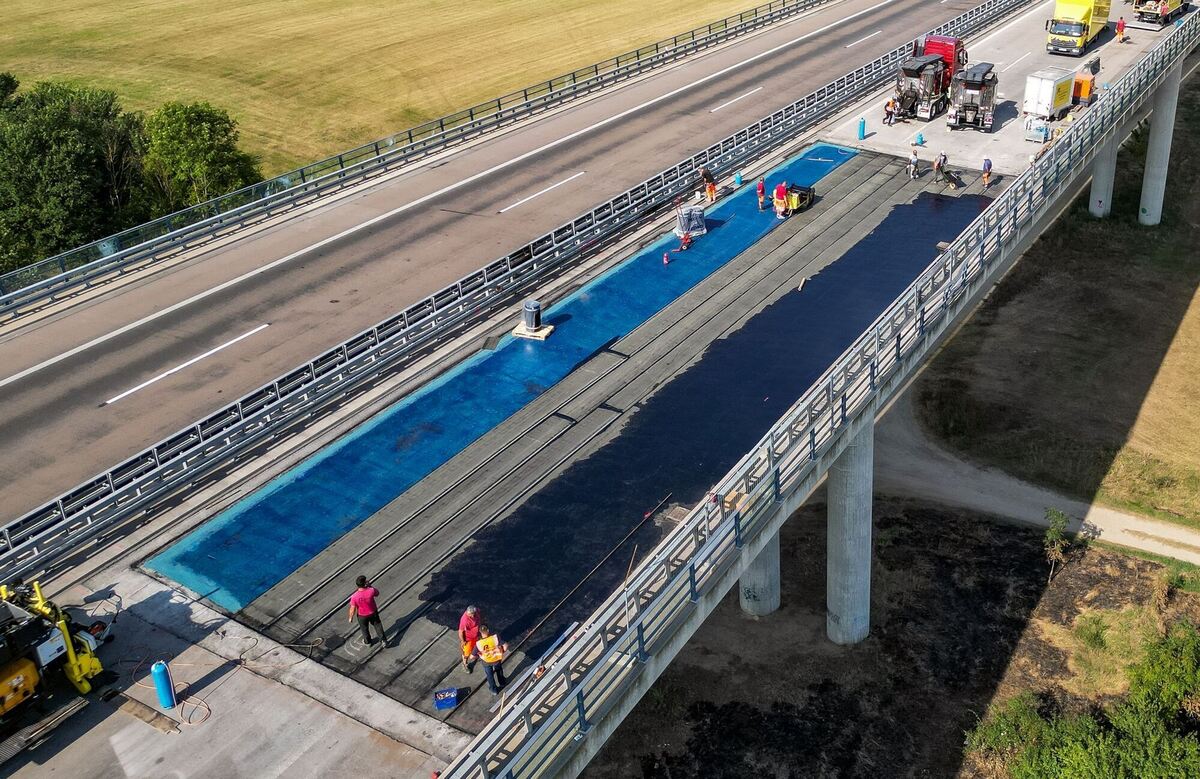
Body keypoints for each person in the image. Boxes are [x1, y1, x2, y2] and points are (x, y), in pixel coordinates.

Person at [347, 575, 384, 646]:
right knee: (377, 625)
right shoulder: (371, 590)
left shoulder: (354, 596)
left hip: (362, 616)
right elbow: (377, 593)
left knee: (364, 629)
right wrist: (370, 586)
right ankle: (383, 640)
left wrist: (350, 617)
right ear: (364, 583)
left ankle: (368, 642)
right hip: (373, 612)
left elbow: (352, 608)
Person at [476, 625, 509, 695]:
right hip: (496, 659)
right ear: (487, 630)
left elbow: (471, 657)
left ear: (480, 632)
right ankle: (502, 682)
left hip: (486, 662)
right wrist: (502, 651)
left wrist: (480, 655)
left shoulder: (479, 643)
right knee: (499, 671)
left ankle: (494, 690)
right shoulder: (494, 638)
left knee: (489, 675)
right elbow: (506, 646)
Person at [458, 605, 482, 671]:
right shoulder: (465, 620)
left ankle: (475, 654)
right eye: (470, 615)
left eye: (473, 614)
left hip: (476, 635)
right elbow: (460, 632)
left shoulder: (476, 612)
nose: (472, 616)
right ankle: (465, 664)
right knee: (466, 653)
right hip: (468, 639)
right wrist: (463, 641)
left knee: (476, 647)